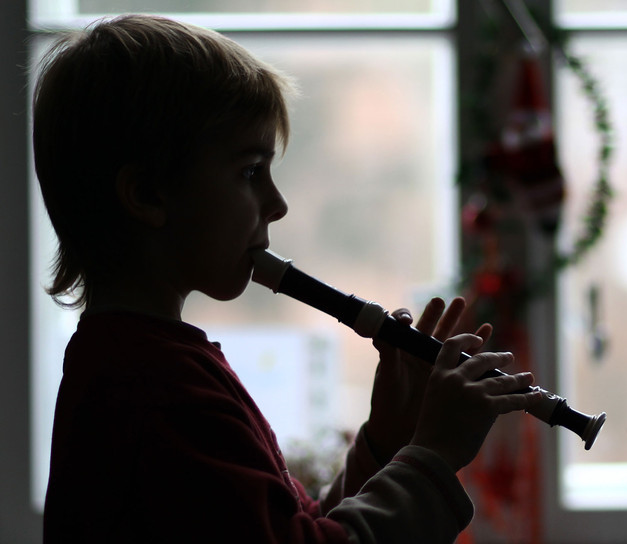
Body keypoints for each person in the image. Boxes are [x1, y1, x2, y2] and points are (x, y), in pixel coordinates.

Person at [33, 14, 543, 543]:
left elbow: (292, 531)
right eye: (251, 172)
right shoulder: (156, 391)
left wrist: (388, 439)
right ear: (147, 195)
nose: (276, 205)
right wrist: (434, 453)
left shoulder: (147, 363)